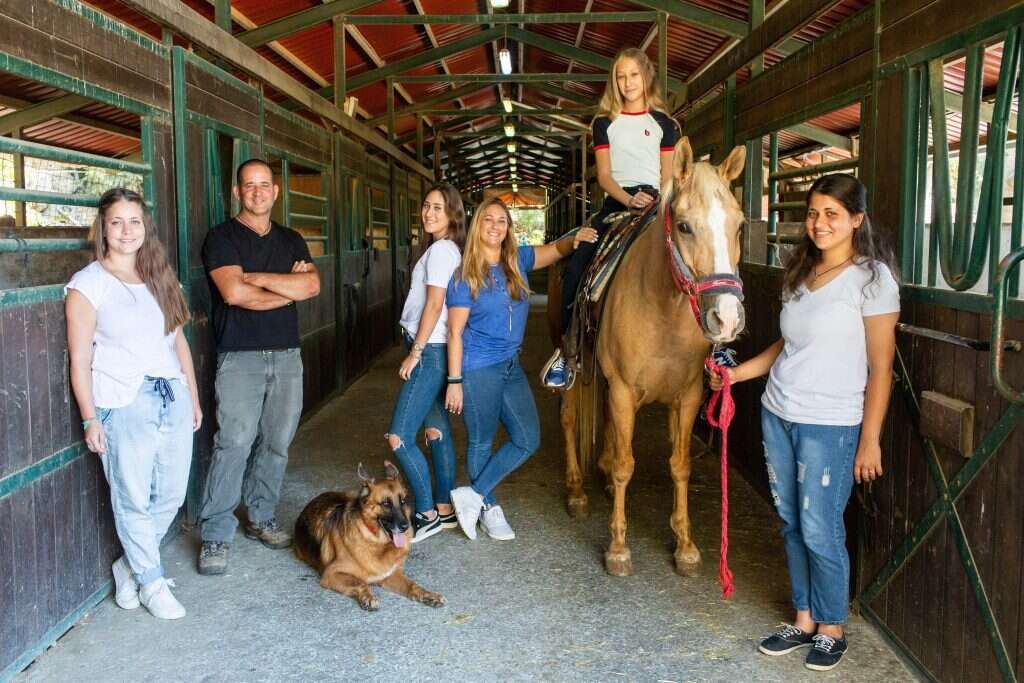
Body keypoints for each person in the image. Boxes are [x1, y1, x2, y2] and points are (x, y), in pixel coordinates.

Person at [709, 174, 899, 672]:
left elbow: (881, 367)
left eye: (831, 214)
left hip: (831, 423)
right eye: (813, 213)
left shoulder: (873, 280)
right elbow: (786, 348)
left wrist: (870, 441)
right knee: (792, 523)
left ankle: (833, 626)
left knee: (819, 526)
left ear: (857, 220)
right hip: (780, 413)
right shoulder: (800, 274)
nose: (819, 223)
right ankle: (804, 617)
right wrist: (737, 376)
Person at [66, 188, 201, 620]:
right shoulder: (88, 284)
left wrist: (193, 398)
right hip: (124, 401)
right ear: (103, 229)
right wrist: (90, 418)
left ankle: (130, 565)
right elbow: (81, 357)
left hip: (172, 396)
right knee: (132, 498)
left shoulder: (162, 278)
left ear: (147, 227)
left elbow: (178, 343)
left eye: (135, 221)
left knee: (173, 494)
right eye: (117, 222)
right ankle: (152, 582)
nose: (127, 231)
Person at [445, 198, 597, 540]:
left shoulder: (517, 260)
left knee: (528, 438)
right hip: (478, 367)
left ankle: (473, 493)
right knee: (481, 441)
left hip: (511, 365)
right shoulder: (464, 276)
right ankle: (489, 507)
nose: (496, 226)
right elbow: (455, 332)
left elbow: (556, 251)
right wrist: (454, 380)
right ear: (476, 226)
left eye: (502, 221)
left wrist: (577, 237)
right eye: (488, 220)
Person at [197, 158, 320, 575]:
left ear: (276, 191)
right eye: (249, 185)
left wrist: (259, 280)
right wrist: (286, 290)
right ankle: (215, 534)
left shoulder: (292, 239)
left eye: (264, 185)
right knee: (233, 442)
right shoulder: (222, 238)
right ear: (237, 192)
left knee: (277, 442)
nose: (257, 192)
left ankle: (261, 516)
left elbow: (312, 285)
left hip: (287, 356)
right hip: (240, 357)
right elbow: (233, 293)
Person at [543, 46, 678, 389]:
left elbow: (668, 175)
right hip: (617, 203)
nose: (627, 82)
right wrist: (628, 199)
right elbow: (603, 176)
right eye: (621, 76)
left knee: (697, 255)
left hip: (656, 202)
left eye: (633, 75)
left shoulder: (665, 123)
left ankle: (714, 348)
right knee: (578, 264)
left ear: (646, 76)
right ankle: (567, 352)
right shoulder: (605, 123)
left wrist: (656, 201)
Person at [387, 184, 466, 543]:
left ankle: (425, 513)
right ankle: (445, 509)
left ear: (452, 214)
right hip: (434, 348)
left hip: (429, 351)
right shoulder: (443, 249)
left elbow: (435, 305)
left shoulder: (441, 251)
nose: (429, 213)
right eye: (426, 207)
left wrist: (414, 352)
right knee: (436, 432)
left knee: (400, 436)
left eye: (438, 208)